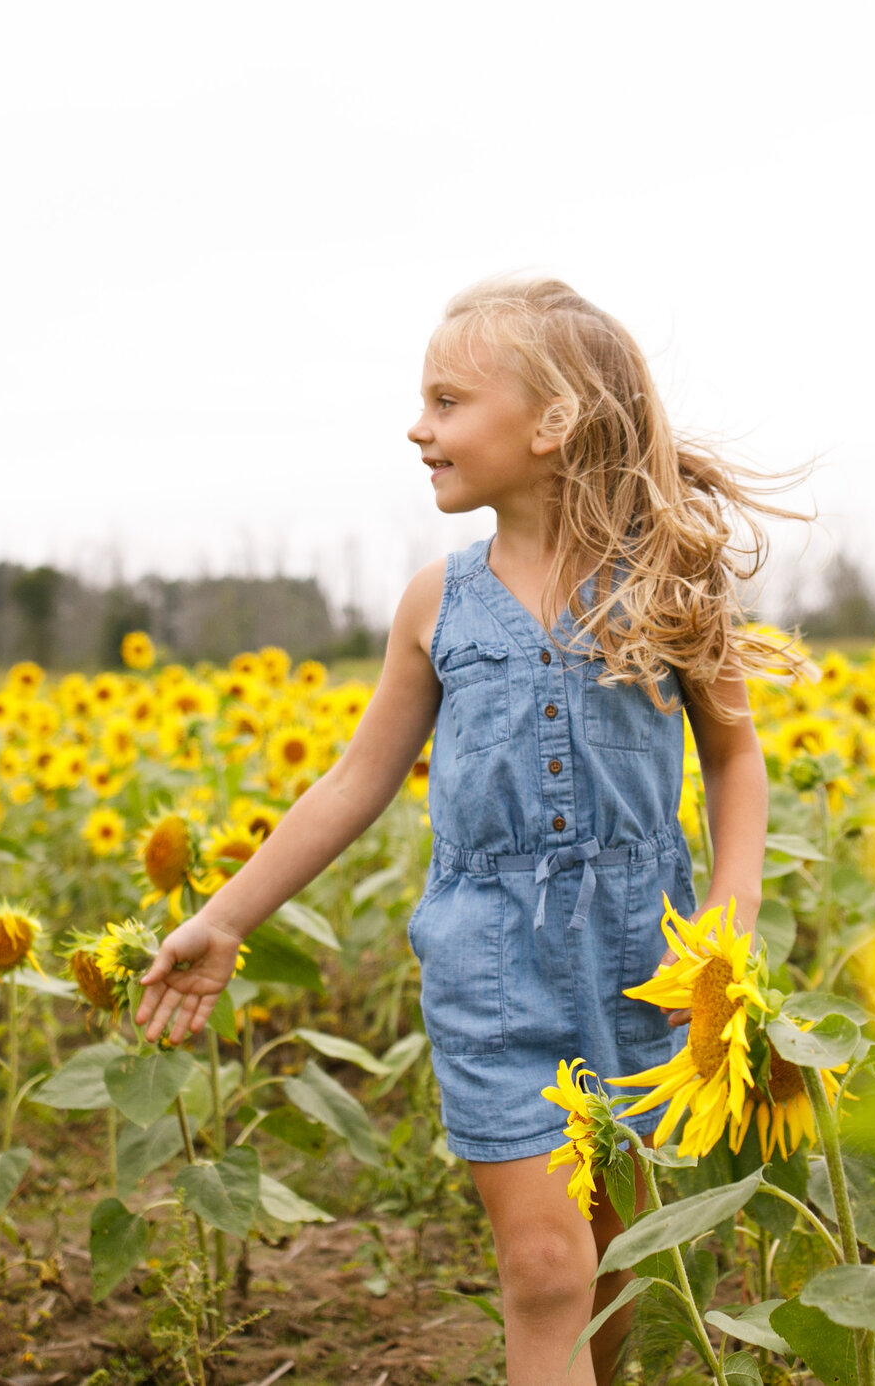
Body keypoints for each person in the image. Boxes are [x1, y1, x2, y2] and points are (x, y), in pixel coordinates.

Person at [134, 275, 803, 1384]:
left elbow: (735, 757)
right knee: (543, 1262)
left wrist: (728, 925)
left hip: (652, 960)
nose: (418, 426)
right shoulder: (433, 603)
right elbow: (354, 782)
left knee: (616, 1252)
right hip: (493, 965)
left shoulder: (669, 579)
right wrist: (224, 915)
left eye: (447, 400)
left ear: (553, 422)